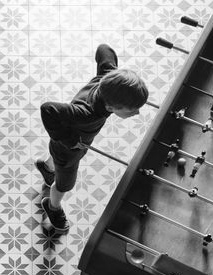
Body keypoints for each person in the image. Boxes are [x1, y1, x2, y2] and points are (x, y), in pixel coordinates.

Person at [35, 44, 149, 232]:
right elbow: (48, 109)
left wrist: (119, 74)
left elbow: (104, 49)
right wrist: (70, 140)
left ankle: (47, 168)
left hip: (61, 145)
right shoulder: (87, 113)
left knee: (55, 151)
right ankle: (52, 206)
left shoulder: (106, 79)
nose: (136, 113)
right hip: (68, 153)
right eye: (131, 110)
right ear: (112, 108)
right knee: (64, 185)